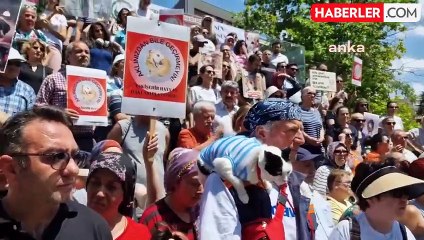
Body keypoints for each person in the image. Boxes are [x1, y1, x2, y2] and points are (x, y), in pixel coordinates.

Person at [198, 100, 322, 240]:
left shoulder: (298, 185)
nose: (301, 140)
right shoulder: (226, 181)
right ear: (262, 133)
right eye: (292, 130)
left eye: (302, 130)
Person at [0, 106, 112, 239]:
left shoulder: (94, 228)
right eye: (56, 156)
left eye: (75, 156)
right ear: (12, 168)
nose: (74, 170)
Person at [328, 161, 424, 239]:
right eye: (397, 193)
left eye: (406, 193)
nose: (404, 199)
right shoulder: (347, 230)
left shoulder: (404, 233)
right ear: (371, 198)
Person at [36, 41, 95, 151]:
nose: (84, 54)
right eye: (79, 51)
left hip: (86, 138)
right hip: (60, 135)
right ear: (68, 56)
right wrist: (60, 112)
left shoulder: (95, 82)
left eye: (87, 52)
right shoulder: (53, 79)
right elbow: (38, 107)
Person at [140, 148, 203, 240]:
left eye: (204, 183)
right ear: (176, 181)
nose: (201, 190)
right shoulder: (153, 217)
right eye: (194, 183)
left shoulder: (202, 212)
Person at [86, 152, 151, 239]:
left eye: (111, 187)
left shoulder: (140, 235)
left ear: (125, 194)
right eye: (95, 183)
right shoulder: (68, 226)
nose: (100, 194)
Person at [0, 47, 36, 116]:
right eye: (9, 63)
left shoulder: (27, 91)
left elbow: (29, 120)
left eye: (17, 64)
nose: (13, 67)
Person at [300, 87, 325, 156]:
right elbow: (297, 129)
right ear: (302, 96)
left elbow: (321, 127)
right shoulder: (297, 110)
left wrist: (321, 138)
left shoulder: (316, 111)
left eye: (314, 94)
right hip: (304, 149)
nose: (313, 95)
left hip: (318, 148)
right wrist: (309, 139)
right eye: (309, 93)